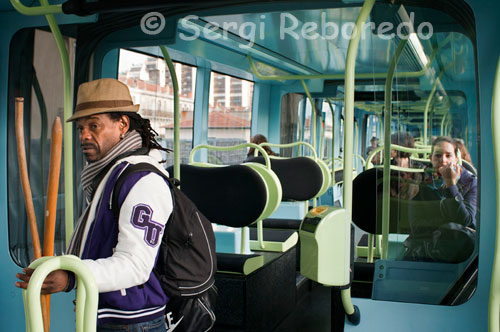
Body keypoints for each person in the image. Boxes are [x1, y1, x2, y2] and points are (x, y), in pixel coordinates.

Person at [15, 78, 173, 331]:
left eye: (94, 126)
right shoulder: (110, 175)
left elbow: (135, 266)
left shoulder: (143, 181)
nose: (84, 135)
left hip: (133, 322)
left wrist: (72, 275)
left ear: (123, 124)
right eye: (80, 128)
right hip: (106, 314)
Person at [403, 136, 477, 262]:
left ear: (456, 158)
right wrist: (450, 224)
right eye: (438, 156)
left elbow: (466, 220)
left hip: (461, 249)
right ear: (430, 158)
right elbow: (416, 226)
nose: (443, 160)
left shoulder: (470, 182)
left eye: (448, 155)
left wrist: (450, 184)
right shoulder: (419, 181)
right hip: (426, 246)